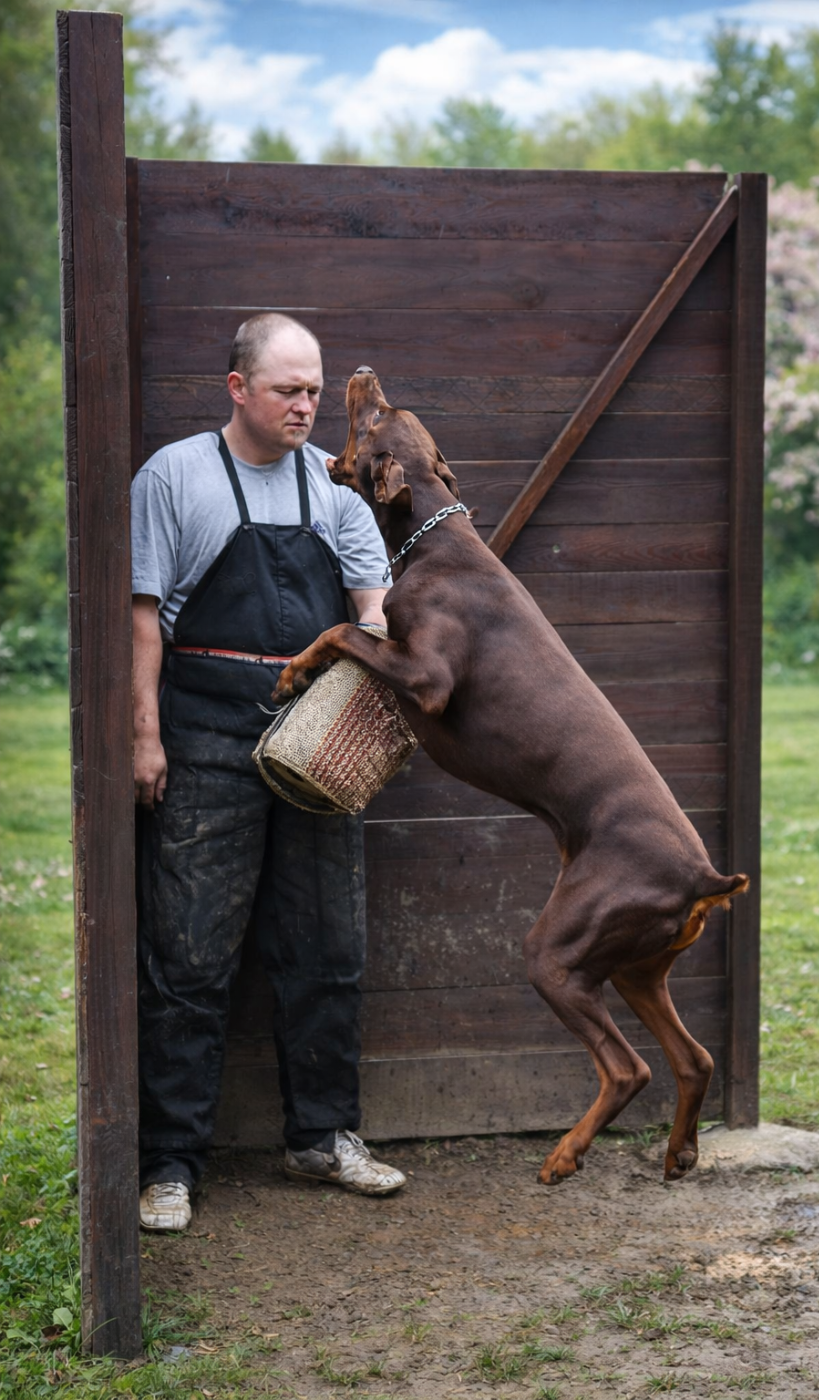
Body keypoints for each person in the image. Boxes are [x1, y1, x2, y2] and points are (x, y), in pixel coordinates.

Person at [131, 312, 406, 1232]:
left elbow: (374, 607)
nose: (306, 406)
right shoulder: (175, 476)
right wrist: (145, 737)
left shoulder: (333, 492)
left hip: (315, 743)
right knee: (189, 955)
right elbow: (143, 621)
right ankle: (169, 1164)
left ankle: (323, 1139)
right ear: (237, 389)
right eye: (288, 389)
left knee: (327, 948)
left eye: (315, 391)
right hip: (203, 733)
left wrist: (370, 656)